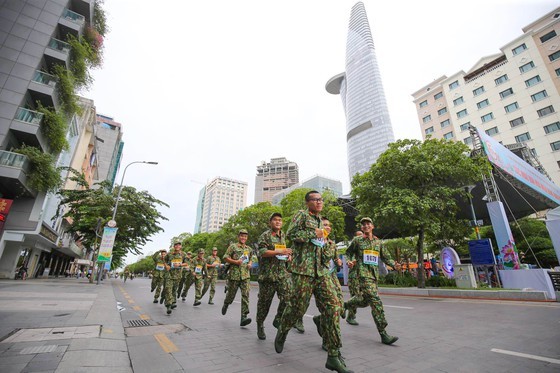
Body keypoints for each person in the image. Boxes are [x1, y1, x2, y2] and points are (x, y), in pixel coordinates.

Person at [274, 191, 350, 373]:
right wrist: (312, 233)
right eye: (316, 199)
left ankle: (333, 354)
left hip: (322, 273)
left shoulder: (321, 221)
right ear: (308, 202)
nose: (319, 202)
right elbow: (292, 234)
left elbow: (321, 249)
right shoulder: (301, 215)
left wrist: (329, 251)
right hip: (303, 272)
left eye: (321, 199)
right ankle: (283, 330)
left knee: (333, 309)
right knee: (297, 309)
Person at [344, 217, 398, 346]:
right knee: (376, 301)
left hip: (373, 276)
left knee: (365, 301)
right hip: (361, 274)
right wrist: (349, 261)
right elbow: (349, 252)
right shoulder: (357, 240)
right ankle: (383, 333)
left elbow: (386, 257)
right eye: (363, 225)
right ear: (361, 228)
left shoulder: (378, 243)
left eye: (368, 224)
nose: (366, 226)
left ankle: (344, 305)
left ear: (372, 226)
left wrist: (394, 265)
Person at [255, 212, 293, 340]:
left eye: (280, 220)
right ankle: (260, 324)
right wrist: (279, 251)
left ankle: (278, 318)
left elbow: (283, 251)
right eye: (275, 220)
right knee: (264, 305)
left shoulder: (283, 235)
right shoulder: (265, 236)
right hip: (268, 277)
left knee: (288, 298)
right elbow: (262, 252)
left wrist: (288, 256)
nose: (278, 222)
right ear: (270, 222)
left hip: (282, 274)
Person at [312, 217, 344, 352]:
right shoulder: (314, 242)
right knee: (329, 310)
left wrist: (339, 262)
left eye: (329, 225)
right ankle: (328, 340)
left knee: (340, 307)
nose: (327, 227)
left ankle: (320, 320)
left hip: (332, 277)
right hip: (320, 278)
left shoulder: (332, 244)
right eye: (324, 225)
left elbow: (335, 258)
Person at [222, 229, 253, 327]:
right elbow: (225, 257)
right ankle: (226, 303)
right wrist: (235, 262)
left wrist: (250, 264)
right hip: (234, 275)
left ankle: (244, 317)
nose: (243, 238)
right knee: (231, 295)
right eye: (242, 236)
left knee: (246, 295)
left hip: (245, 276)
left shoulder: (249, 249)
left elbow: (252, 258)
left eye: (245, 236)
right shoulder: (233, 247)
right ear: (238, 236)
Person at [164, 242, 188, 315]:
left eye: (179, 245)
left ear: (181, 246)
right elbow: (164, 260)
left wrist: (180, 264)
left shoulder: (183, 254)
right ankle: (169, 305)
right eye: (176, 245)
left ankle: (173, 301)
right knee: (168, 289)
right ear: (174, 246)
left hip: (178, 275)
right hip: (169, 275)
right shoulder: (169, 254)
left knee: (174, 290)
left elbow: (186, 263)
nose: (177, 246)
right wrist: (166, 266)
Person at [346, 230, 364, 326]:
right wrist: (351, 262)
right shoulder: (352, 249)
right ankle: (350, 316)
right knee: (355, 296)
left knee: (361, 296)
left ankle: (347, 311)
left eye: (362, 235)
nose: (361, 238)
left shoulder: (364, 249)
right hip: (354, 277)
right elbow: (349, 260)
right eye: (358, 236)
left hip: (363, 277)